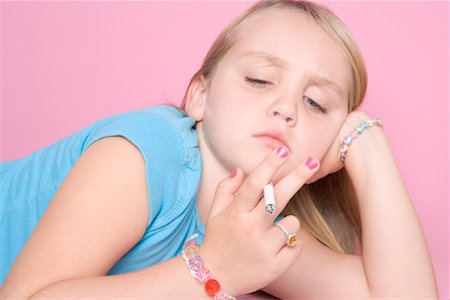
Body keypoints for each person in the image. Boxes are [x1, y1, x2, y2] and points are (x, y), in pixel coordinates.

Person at [0, 0, 438, 298]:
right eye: (260, 79)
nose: (286, 108)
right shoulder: (146, 154)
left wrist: (366, 144)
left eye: (316, 103)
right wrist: (215, 268)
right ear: (199, 97)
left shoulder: (259, 223)